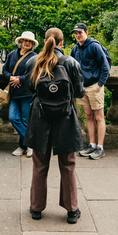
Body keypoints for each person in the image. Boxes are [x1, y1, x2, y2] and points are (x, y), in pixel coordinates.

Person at [25, 27, 85, 224]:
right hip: (65, 119)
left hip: (40, 118)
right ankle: (71, 210)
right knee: (68, 165)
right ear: (61, 43)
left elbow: (30, 87)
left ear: (44, 42)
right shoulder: (71, 62)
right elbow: (78, 91)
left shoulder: (34, 61)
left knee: (39, 164)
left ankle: (36, 208)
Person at [70, 23, 110, 160]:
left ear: (86, 32)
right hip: (82, 88)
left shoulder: (94, 46)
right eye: (75, 33)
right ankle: (92, 144)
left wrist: (100, 84)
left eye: (79, 32)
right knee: (88, 116)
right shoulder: (75, 49)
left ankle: (100, 147)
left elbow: (105, 66)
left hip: (94, 86)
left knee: (99, 117)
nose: (77, 35)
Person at [2, 31, 38, 157]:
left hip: (27, 93)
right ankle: (31, 143)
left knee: (25, 120)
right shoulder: (12, 54)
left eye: (30, 41)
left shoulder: (34, 56)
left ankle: (22, 146)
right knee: (13, 118)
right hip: (13, 92)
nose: (27, 43)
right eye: (25, 41)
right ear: (21, 42)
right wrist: (11, 78)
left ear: (32, 44)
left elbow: (35, 73)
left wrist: (20, 79)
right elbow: (4, 69)